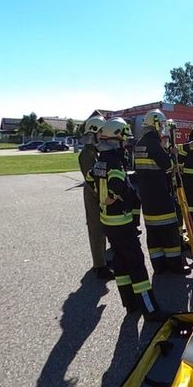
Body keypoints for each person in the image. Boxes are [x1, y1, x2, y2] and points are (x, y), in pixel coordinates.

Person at [92, 118, 158, 316]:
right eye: (124, 139)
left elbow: (90, 177)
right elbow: (118, 185)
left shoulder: (100, 160)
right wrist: (112, 196)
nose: (126, 144)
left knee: (120, 261)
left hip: (108, 222)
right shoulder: (113, 161)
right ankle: (150, 309)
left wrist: (102, 196)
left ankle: (130, 304)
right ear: (116, 139)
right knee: (136, 263)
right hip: (121, 221)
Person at [131, 109, 185, 274]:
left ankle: (159, 266)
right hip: (161, 196)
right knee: (169, 232)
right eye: (161, 125)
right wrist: (172, 154)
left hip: (147, 199)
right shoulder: (154, 144)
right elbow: (167, 166)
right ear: (155, 125)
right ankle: (175, 266)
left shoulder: (139, 144)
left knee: (153, 235)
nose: (163, 128)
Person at [77, 115, 113, 281]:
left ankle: (103, 260)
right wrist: (101, 197)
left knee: (104, 228)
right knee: (96, 230)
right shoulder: (87, 154)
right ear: (94, 133)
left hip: (101, 193)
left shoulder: (97, 151)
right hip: (94, 195)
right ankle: (99, 266)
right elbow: (92, 179)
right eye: (101, 132)